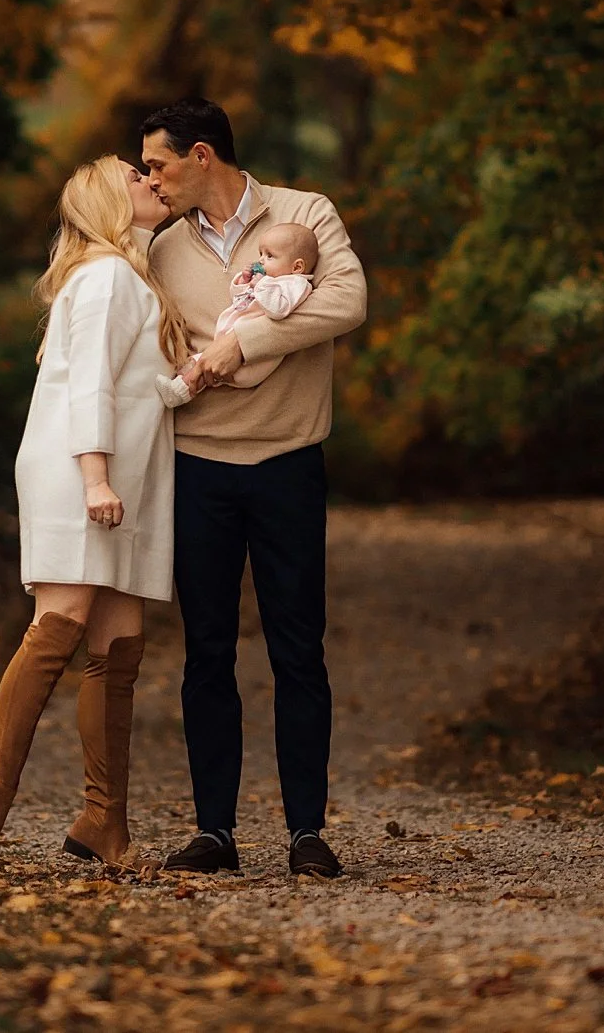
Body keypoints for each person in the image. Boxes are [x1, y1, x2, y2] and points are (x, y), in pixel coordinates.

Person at [140, 98, 368, 879]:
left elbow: (346, 300)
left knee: (299, 647)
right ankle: (215, 833)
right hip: (197, 465)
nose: (151, 179)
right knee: (206, 652)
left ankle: (307, 830)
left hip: (289, 462)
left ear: (201, 155)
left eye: (159, 164)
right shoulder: (162, 247)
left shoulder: (306, 212)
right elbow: (154, 344)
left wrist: (242, 344)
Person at [0, 156, 187, 879]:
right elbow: (87, 386)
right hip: (83, 472)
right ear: (110, 201)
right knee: (60, 626)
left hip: (125, 478)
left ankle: (104, 821)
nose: (150, 179)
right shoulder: (108, 276)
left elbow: (135, 385)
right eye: (135, 176)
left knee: (120, 644)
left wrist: (193, 378)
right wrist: (93, 478)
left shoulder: (129, 275)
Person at [154, 222, 320, 407]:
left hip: (253, 360)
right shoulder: (273, 280)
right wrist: (244, 281)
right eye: (261, 254)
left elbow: (278, 309)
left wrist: (261, 284)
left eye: (270, 256)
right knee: (195, 362)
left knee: (201, 365)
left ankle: (180, 392)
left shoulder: (295, 284)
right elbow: (240, 300)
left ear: (297, 267)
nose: (262, 261)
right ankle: (179, 384)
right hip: (231, 346)